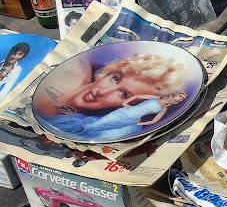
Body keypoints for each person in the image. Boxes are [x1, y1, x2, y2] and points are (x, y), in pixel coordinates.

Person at [33, 53, 188, 120]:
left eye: (124, 94)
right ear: (109, 72)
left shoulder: (93, 124)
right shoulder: (74, 70)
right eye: (115, 79)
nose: (103, 92)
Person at [50, 92, 188, 141]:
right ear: (172, 95)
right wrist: (126, 103)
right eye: (174, 96)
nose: (172, 99)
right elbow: (137, 96)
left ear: (175, 102)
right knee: (100, 123)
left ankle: (72, 134)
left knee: (102, 127)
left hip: (130, 119)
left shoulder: (163, 109)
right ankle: (67, 130)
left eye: (176, 100)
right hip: (124, 112)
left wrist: (141, 123)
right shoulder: (156, 97)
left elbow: (154, 120)